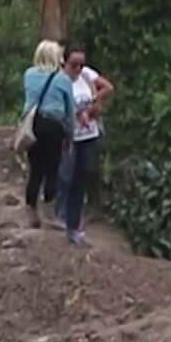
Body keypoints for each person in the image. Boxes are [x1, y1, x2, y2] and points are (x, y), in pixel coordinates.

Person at [58, 48, 114, 245]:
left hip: (88, 135)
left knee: (83, 176)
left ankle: (74, 226)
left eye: (81, 64)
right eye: (74, 64)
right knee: (66, 177)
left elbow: (106, 89)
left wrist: (95, 106)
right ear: (64, 62)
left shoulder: (87, 77)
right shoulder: (59, 81)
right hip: (68, 136)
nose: (78, 69)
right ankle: (61, 213)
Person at [19, 40, 76, 229]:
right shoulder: (62, 79)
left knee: (35, 169)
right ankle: (50, 213)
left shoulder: (28, 74)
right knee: (52, 168)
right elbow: (70, 110)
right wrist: (70, 133)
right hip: (53, 126)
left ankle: (31, 210)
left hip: (34, 123)